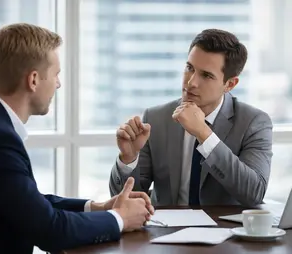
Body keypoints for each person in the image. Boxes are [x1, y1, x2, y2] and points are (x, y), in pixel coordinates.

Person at [0, 23, 154, 254]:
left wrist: (98, 208)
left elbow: (29, 202)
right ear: (34, 80)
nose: (58, 84)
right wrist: (119, 218)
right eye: (56, 74)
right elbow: (51, 230)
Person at [109, 29, 273, 207]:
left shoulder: (254, 123)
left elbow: (254, 193)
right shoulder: (156, 118)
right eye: (189, 68)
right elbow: (127, 202)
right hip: (165, 230)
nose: (191, 82)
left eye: (206, 75)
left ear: (230, 84)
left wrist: (204, 134)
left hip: (224, 231)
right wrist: (128, 158)